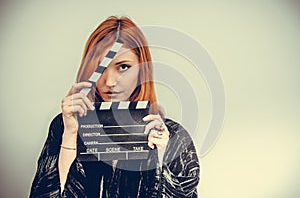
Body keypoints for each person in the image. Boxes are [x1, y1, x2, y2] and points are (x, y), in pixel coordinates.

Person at [30, 16, 200, 198]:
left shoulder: (174, 137)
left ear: (143, 70)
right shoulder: (64, 126)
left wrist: (161, 157)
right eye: (100, 68)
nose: (110, 82)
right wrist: (70, 135)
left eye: (124, 67)